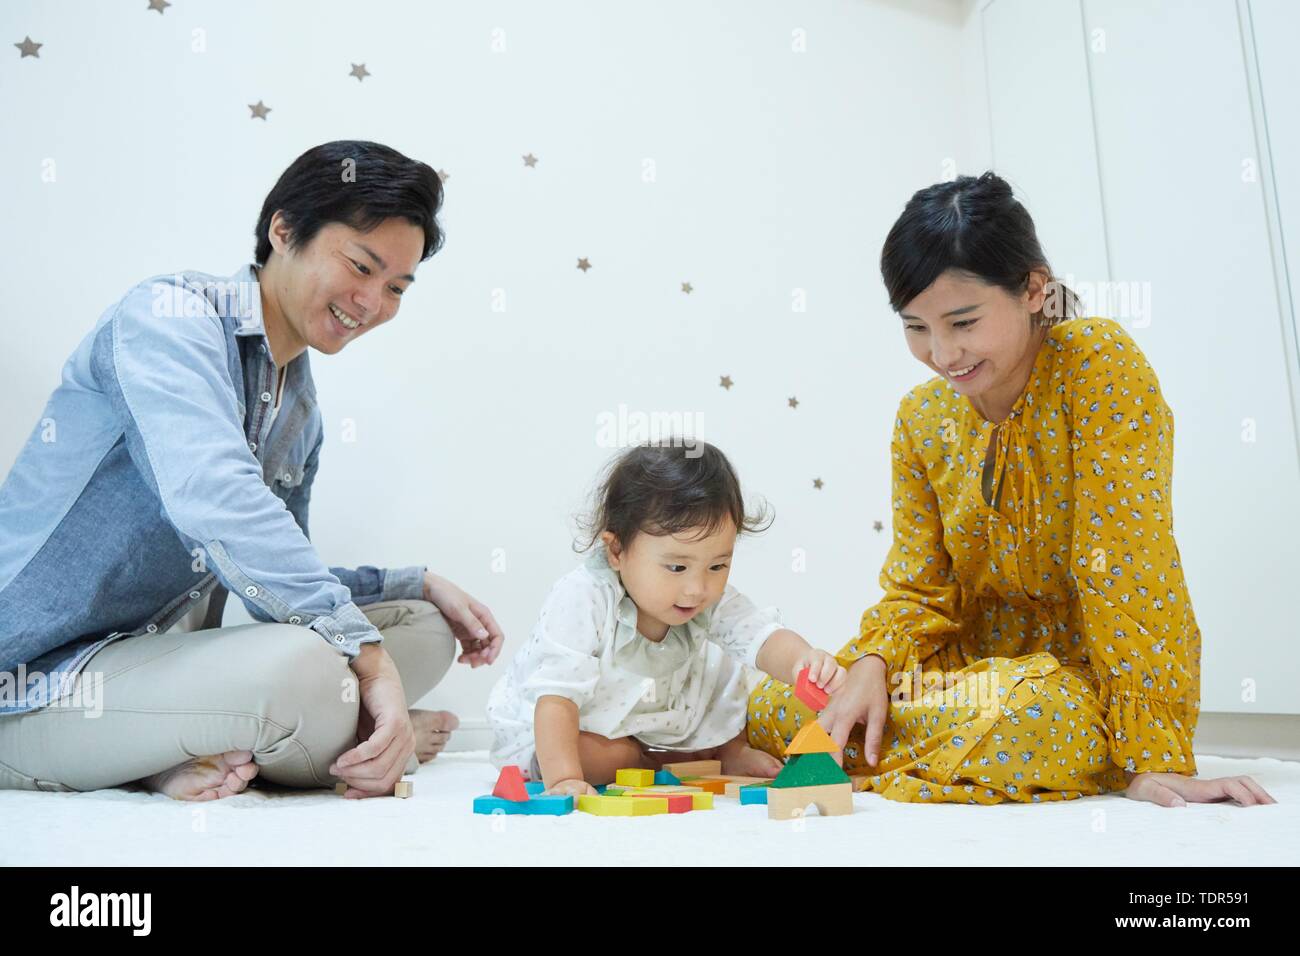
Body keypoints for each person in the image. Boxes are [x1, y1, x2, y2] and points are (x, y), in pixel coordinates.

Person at [747, 171, 1275, 808]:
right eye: (916, 328)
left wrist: (1152, 755)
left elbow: (1126, 564)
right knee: (778, 700)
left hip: (1076, 684)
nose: (943, 353)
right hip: (964, 677)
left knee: (1028, 718)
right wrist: (873, 668)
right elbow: (919, 589)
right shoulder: (922, 418)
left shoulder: (1097, 365)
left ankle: (1050, 748)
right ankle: (897, 737)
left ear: (1033, 289)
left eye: (962, 321)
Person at [0, 140, 503, 801]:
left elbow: (273, 580)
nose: (372, 301)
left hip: (147, 663)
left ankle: (245, 741)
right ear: (284, 229)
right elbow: (214, 497)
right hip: (36, 673)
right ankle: (329, 739)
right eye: (361, 265)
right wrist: (369, 662)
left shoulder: (300, 408)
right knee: (310, 668)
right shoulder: (167, 319)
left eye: (396, 288)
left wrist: (417, 582)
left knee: (422, 628)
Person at [487, 440, 845, 797]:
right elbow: (556, 698)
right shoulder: (584, 597)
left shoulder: (706, 597)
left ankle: (724, 750)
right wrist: (564, 779)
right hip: (563, 730)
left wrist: (802, 660)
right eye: (676, 567)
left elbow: (761, 637)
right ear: (616, 550)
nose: (696, 589)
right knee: (611, 758)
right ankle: (654, 762)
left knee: (727, 667)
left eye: (718, 565)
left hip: (649, 716)